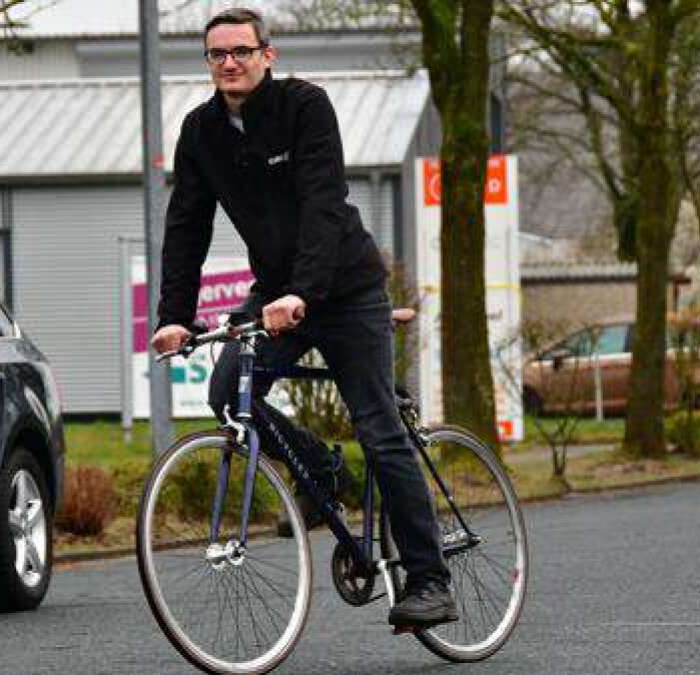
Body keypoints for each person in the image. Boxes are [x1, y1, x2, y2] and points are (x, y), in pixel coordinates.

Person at [150, 7, 456, 630]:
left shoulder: (305, 108)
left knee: (378, 427)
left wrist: (304, 294)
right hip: (276, 292)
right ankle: (321, 469)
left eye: (240, 51)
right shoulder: (201, 131)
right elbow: (187, 225)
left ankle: (430, 580)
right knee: (228, 392)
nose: (229, 63)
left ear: (269, 54)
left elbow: (323, 201)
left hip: (344, 286)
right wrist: (175, 316)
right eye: (217, 55)